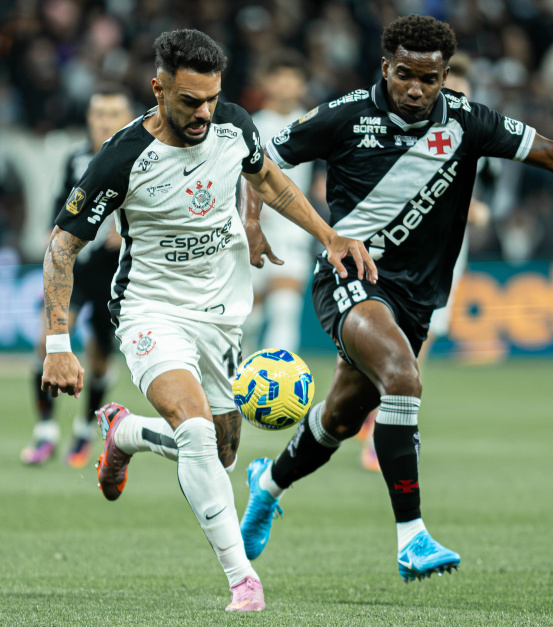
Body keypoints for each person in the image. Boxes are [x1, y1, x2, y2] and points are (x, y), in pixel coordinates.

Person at [240, 14, 553, 583]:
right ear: (385, 68)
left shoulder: (469, 121)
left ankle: (268, 484)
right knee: (402, 377)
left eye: (429, 79)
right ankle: (411, 537)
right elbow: (259, 163)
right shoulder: (345, 115)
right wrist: (252, 222)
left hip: (419, 296)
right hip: (350, 274)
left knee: (341, 417)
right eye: (404, 75)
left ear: (445, 76)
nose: (415, 89)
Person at [39, 29, 376, 612]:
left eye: (212, 99)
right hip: (150, 309)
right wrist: (57, 343)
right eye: (189, 101)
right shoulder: (122, 157)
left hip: (221, 313)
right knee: (194, 431)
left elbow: (266, 179)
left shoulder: (234, 126)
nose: (203, 113)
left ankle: (126, 433)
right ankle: (243, 580)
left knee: (220, 454)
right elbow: (60, 247)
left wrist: (328, 236)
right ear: (159, 89)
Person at [356, 53, 492, 473]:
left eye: (465, 91)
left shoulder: (473, 132)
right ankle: (380, 425)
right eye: (452, 90)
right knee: (393, 342)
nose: (459, 98)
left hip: (444, 256)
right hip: (395, 252)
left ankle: (374, 418)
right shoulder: (405, 129)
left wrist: (472, 209)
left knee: (415, 343)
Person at [21, 89, 134, 467]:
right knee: (46, 340)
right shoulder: (76, 159)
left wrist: (126, 230)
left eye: (113, 113)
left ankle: (85, 428)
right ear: (88, 118)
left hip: (115, 273)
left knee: (98, 360)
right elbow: (63, 204)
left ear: (128, 118)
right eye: (98, 113)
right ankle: (45, 431)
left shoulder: (142, 155)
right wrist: (52, 233)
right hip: (77, 267)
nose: (104, 121)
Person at [240, 52, 318, 356]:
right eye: (279, 78)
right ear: (266, 83)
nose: (286, 85)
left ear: (302, 85)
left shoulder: (313, 124)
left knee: (285, 308)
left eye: (293, 79)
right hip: (249, 226)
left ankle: (277, 378)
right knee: (249, 317)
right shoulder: (249, 125)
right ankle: (241, 373)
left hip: (293, 229)